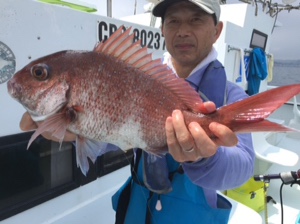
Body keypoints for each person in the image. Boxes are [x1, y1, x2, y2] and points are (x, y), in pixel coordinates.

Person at [20, 0, 255, 223]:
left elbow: (243, 167)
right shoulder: (140, 77)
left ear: (217, 30)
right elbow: (114, 138)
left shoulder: (229, 96)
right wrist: (76, 132)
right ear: (162, 29)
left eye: (196, 20)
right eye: (173, 21)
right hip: (137, 209)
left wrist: (206, 156)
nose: (183, 30)